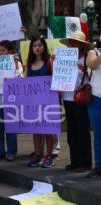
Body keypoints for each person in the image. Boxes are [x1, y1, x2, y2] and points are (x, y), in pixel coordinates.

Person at [59, 31, 92, 172]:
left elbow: (93, 77)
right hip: (67, 97)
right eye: (71, 42)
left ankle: (85, 163)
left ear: (81, 45)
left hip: (80, 98)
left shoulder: (86, 59)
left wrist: (86, 70)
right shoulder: (64, 58)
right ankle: (74, 161)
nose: (72, 44)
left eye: (75, 42)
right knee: (71, 130)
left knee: (82, 129)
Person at [26, 35, 55, 168]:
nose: (37, 48)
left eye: (40, 45)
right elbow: (26, 82)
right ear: (32, 48)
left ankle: (49, 156)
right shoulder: (29, 63)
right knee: (36, 129)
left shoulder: (49, 61)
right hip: (33, 102)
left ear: (44, 46)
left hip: (47, 102)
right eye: (35, 45)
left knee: (48, 129)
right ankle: (38, 154)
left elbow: (55, 78)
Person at [86, 41, 101, 178]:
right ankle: (99, 166)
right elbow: (93, 65)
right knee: (99, 134)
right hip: (97, 99)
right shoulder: (93, 53)